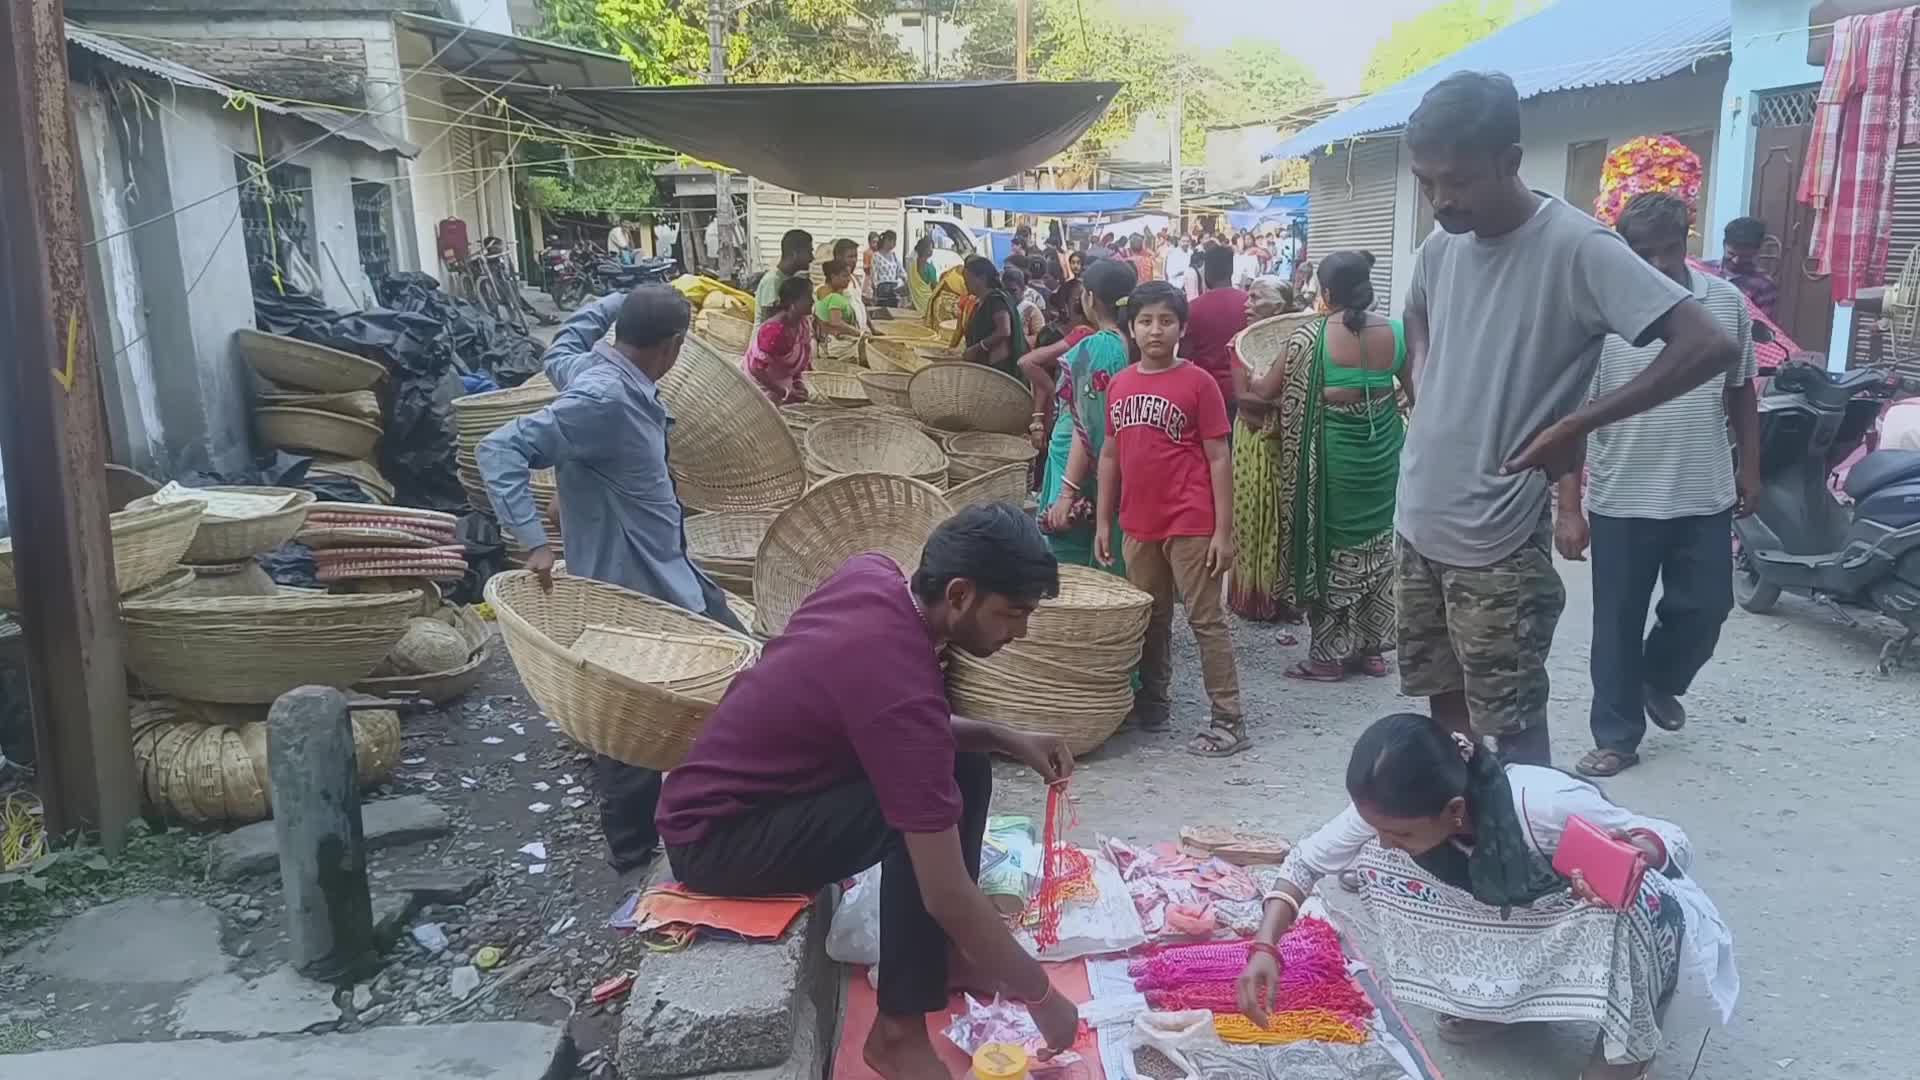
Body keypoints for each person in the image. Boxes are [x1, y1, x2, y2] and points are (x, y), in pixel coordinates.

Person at [654, 506, 1082, 1080]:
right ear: (959, 594)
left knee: (964, 764)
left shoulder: (874, 578)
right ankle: (898, 1034)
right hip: (720, 838)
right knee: (912, 822)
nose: (1019, 632)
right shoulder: (895, 677)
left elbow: (907, 726)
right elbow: (946, 894)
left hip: (756, 795)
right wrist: (1043, 998)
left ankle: (946, 960)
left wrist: (1006, 737)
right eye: (1013, 614)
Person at [1396, 71, 1739, 765]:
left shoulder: (1578, 247)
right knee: (1445, 707)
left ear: (1510, 161)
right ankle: (1464, 846)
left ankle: (1529, 854)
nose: (1441, 201)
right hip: (1418, 518)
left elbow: (1708, 344)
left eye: (1457, 181)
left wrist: (1577, 424)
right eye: (1427, 182)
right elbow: (1418, 313)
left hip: (1496, 532)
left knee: (1513, 722)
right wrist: (1426, 379)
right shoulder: (1441, 246)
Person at [1237, 713, 1737, 1080]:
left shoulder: (1541, 805)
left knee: (1632, 902)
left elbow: (1670, 839)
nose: (1387, 836)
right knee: (1374, 864)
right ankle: (1490, 1000)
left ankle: (1625, 1055)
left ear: (1456, 810)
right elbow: (1304, 864)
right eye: (1379, 826)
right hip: (1518, 904)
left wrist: (1634, 856)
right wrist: (1265, 947)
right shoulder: (1388, 810)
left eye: (1402, 831)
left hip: (1602, 908)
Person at [477, 285, 748, 875]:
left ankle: (714, 785)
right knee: (636, 717)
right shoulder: (603, 398)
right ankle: (632, 849)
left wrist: (616, 299)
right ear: (674, 347)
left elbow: (566, 342)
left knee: (742, 663)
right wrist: (534, 543)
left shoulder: (593, 368)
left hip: (672, 565)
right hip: (633, 582)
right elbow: (499, 451)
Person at [1551, 193, 1759, 777]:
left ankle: (1659, 678)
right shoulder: (1600, 315)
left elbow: (1741, 387)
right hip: (1622, 498)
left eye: (1671, 250)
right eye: (1645, 253)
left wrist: (1751, 468)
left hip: (1704, 490)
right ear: (1623, 251)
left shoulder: (1725, 303)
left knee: (1707, 607)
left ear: (1688, 241)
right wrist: (1570, 507)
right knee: (1616, 622)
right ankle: (1616, 736)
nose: (1661, 264)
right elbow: (1572, 413)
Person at [1096, 281, 1245, 757]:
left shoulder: (1199, 382)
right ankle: (1152, 703)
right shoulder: (1120, 384)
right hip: (1138, 522)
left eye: (1165, 320)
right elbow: (1110, 455)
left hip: (1191, 520)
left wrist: (1223, 532)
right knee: (1151, 618)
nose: (1155, 330)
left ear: (1182, 327)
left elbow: (1220, 457)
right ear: (1132, 328)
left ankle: (1228, 718)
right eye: (1145, 321)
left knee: (1205, 620)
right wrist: (1104, 521)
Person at [1249, 251, 1411, 680]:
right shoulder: (1396, 332)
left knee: (1330, 547)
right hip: (1382, 453)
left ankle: (1327, 656)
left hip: (1332, 455)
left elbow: (1265, 389)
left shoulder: (1308, 337)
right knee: (1377, 543)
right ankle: (1372, 650)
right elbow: (1418, 393)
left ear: (1326, 293)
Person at [1036, 262, 1137, 571]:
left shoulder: (1097, 347)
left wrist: (1068, 492)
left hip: (1078, 468)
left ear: (1089, 298)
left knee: (1070, 561)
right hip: (1109, 470)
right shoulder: (1132, 342)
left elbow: (1091, 425)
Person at [1225, 276, 1302, 622]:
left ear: (1280, 306)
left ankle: (1286, 598)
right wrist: (1286, 401)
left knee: (1287, 518)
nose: (1247, 305)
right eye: (1249, 298)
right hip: (1254, 439)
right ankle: (1254, 598)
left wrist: (1270, 399)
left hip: (1288, 439)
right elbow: (1243, 398)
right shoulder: (1241, 345)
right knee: (1253, 514)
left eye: (1256, 298)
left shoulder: (1302, 341)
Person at [1181, 244, 1249, 414]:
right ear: (1231, 271)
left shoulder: (1193, 308)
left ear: (1207, 272)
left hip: (1207, 393)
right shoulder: (1249, 304)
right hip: (1246, 393)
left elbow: (1185, 356)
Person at [743, 275, 816, 404]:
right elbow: (756, 369)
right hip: (761, 387)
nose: (812, 301)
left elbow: (801, 363)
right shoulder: (774, 331)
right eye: (808, 297)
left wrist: (799, 384)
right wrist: (784, 392)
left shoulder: (803, 324)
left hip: (783, 382)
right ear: (793, 302)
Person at [959, 256, 1027, 375]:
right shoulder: (982, 301)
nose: (965, 283)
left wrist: (978, 348)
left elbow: (1004, 330)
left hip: (997, 368)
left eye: (967, 278)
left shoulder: (995, 300)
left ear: (982, 278)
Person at [1701, 216, 1779, 318]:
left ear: (1757, 252)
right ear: (1724, 244)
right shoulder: (1704, 271)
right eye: (1731, 254)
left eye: (1744, 257)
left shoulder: (1764, 286)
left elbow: (1761, 326)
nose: (1736, 261)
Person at [754, 228, 815, 322]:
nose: (812, 258)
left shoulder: (791, 279)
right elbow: (770, 323)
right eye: (809, 252)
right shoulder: (772, 281)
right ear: (795, 254)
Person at [814, 259, 864, 344]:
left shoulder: (818, 292)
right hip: (839, 344)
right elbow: (836, 322)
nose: (849, 279)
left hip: (826, 342)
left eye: (849, 276)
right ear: (833, 276)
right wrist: (859, 333)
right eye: (845, 276)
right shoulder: (835, 298)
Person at [1004, 266, 1046, 344]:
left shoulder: (1031, 309)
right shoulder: (1001, 309)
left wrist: (1020, 342)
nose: (1009, 295)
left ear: (1022, 289)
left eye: (1013, 291)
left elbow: (1040, 336)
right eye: (1006, 291)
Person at [872, 230, 907, 308]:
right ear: (885, 240)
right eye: (891, 240)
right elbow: (874, 275)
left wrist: (906, 283)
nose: (893, 243)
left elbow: (902, 272)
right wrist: (875, 292)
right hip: (882, 290)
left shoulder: (894, 256)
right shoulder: (876, 256)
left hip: (894, 290)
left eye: (895, 241)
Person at [907, 235, 939, 313]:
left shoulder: (913, 265)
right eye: (931, 248)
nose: (932, 250)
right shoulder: (929, 268)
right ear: (925, 249)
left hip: (915, 302)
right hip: (926, 302)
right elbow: (934, 286)